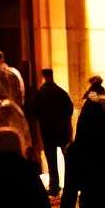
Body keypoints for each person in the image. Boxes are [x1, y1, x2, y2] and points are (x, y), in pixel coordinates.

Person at [27, 69, 75, 197]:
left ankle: (54, 186)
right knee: (68, 158)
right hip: (63, 130)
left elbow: (34, 111)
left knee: (52, 161)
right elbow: (70, 108)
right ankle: (71, 185)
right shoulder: (61, 92)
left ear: (43, 77)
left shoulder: (40, 93)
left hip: (48, 131)